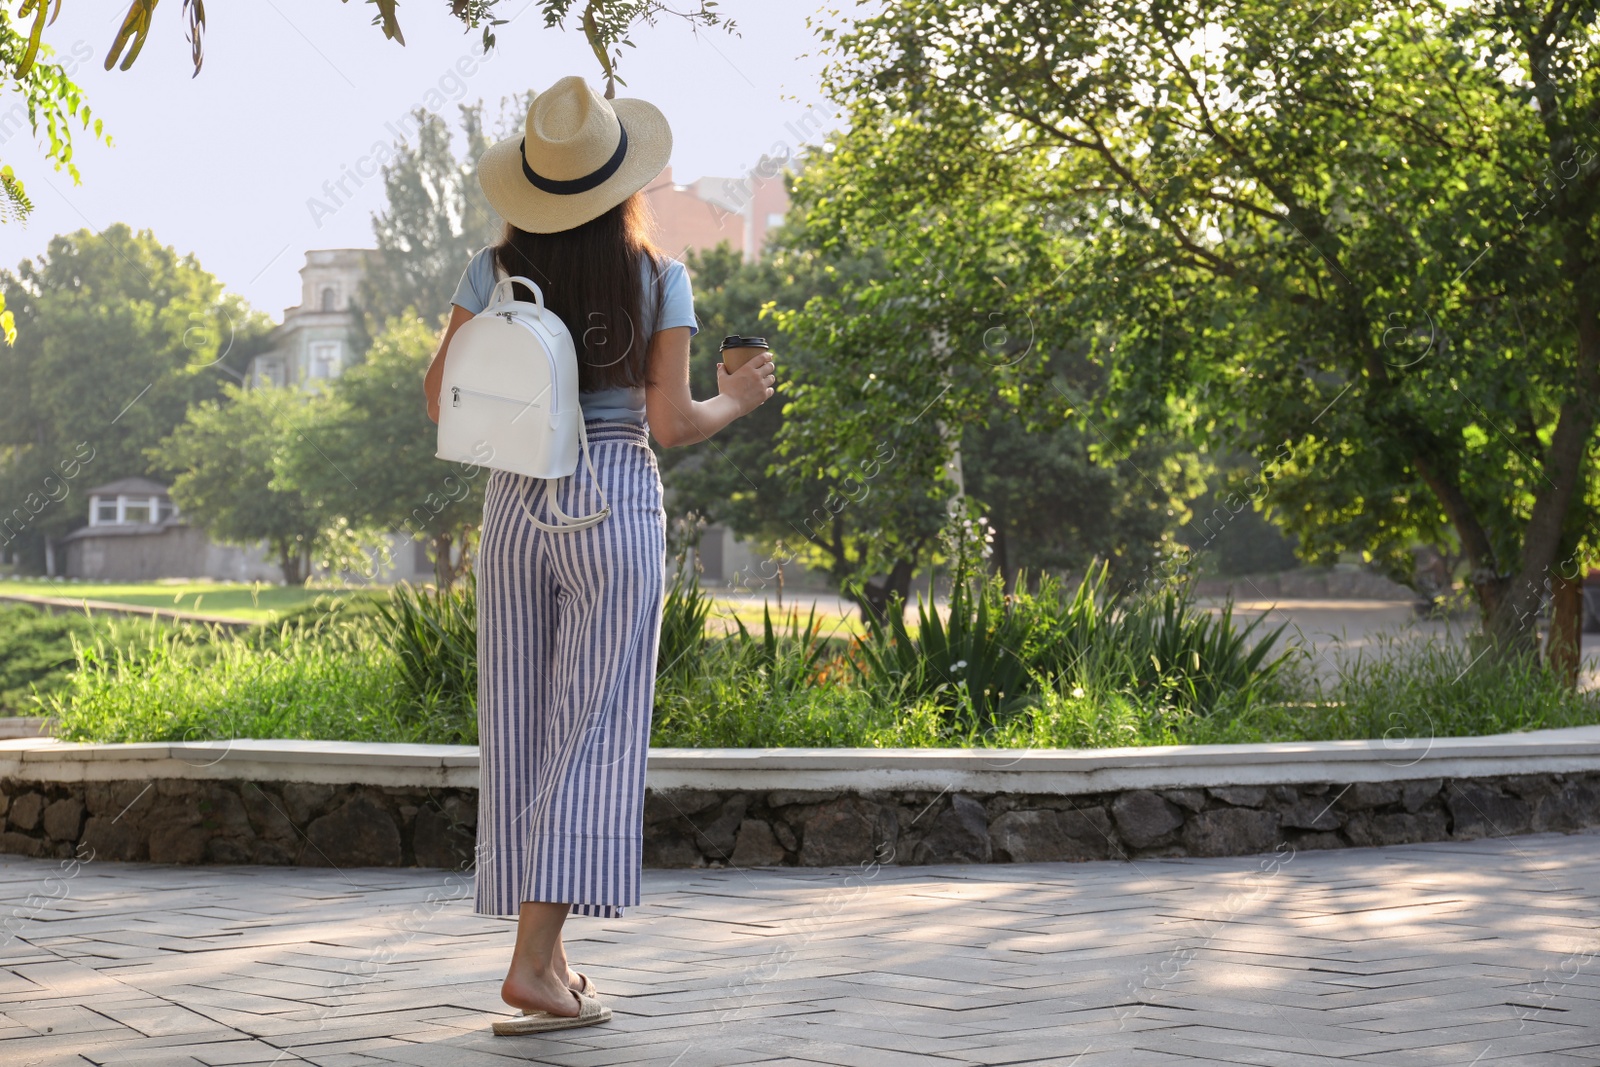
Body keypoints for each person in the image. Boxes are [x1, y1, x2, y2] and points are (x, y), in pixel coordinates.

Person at [422, 76, 775, 1035]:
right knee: (594, 735)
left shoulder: (492, 271)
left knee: (524, 731)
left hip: (514, 506)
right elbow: (670, 418)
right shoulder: (657, 275)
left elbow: (436, 400)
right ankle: (533, 965)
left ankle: (553, 962)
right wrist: (740, 396)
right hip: (610, 500)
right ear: (624, 178)